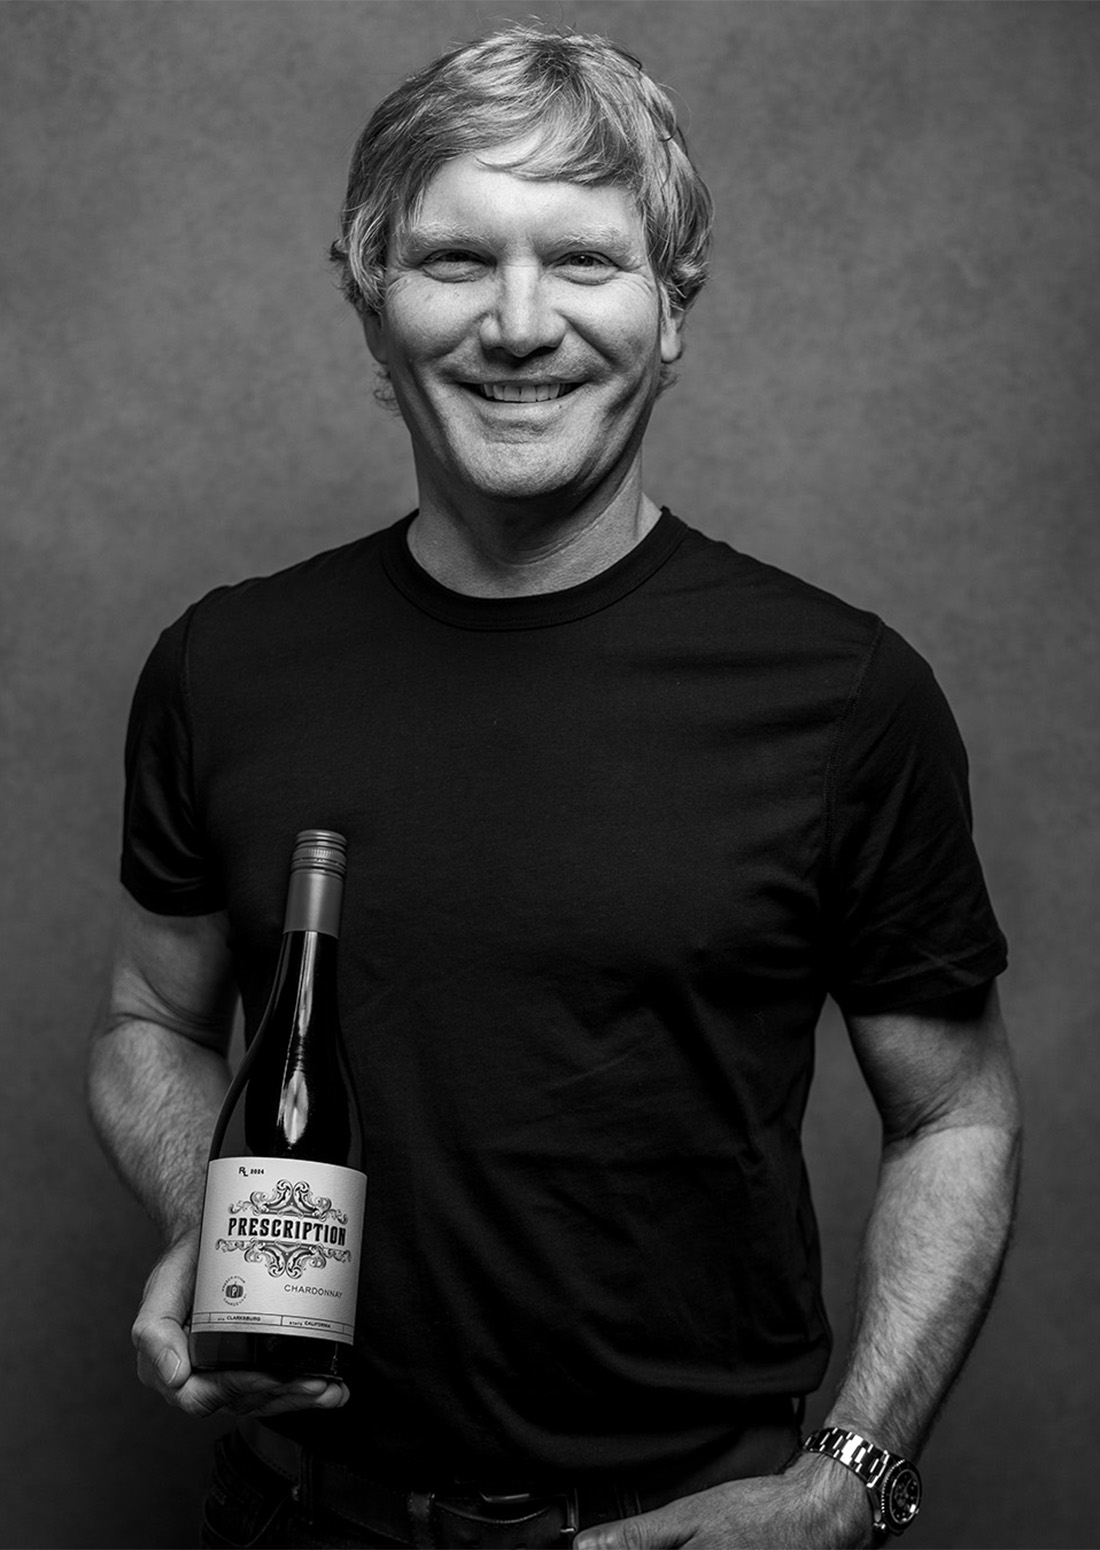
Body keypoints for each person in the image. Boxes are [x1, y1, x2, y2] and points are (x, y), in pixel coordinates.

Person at [88, 23, 1021, 1550]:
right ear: (369, 299)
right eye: (457, 260)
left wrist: (854, 1480)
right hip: (303, 1516)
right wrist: (220, 1230)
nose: (519, 324)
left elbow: (959, 1117)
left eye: (584, 262)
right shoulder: (223, 666)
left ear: (673, 312)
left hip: (690, 1526)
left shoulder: (846, 693)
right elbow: (148, 1019)